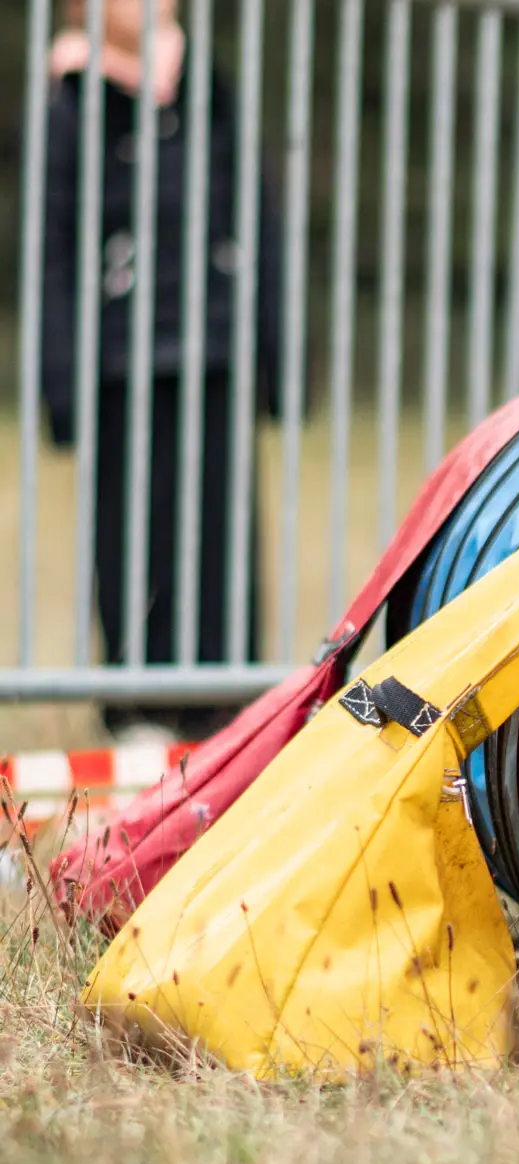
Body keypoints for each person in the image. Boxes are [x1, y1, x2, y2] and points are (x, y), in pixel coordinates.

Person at [42, 0, 279, 745]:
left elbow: (256, 218)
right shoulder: (76, 102)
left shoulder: (211, 89)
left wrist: (275, 351)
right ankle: (139, 701)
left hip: (213, 351)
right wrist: (62, 377)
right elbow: (54, 246)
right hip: (122, 361)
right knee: (131, 534)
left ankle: (221, 701)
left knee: (222, 534)